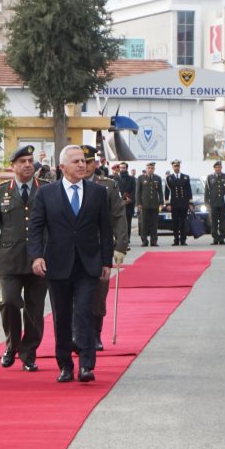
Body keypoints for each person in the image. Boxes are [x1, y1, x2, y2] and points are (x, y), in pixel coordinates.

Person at [28, 145, 113, 383]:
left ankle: (86, 364)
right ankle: (65, 364)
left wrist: (106, 261)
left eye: (84, 161)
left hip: (88, 264)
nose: (82, 165)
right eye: (76, 161)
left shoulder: (97, 192)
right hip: (57, 264)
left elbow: (105, 230)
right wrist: (36, 256)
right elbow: (35, 227)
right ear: (62, 167)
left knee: (85, 312)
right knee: (62, 316)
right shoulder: (46, 193)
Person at [0, 145, 48, 372]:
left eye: (30, 160)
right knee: (11, 303)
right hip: (9, 259)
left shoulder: (46, 189)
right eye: (22, 161)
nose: (27, 165)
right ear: (13, 166)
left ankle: (29, 353)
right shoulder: (0, 191)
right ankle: (11, 345)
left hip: (40, 259)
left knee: (35, 310)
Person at [82, 145, 129, 351]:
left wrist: (120, 246)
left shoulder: (107, 186)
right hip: (72, 249)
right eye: (80, 162)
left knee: (98, 293)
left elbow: (119, 216)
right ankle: (78, 334)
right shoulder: (63, 185)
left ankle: (95, 333)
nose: (84, 166)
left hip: (100, 248)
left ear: (95, 163)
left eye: (88, 162)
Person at [165, 159, 193, 246]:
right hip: (174, 203)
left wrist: (190, 203)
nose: (176, 167)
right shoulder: (169, 178)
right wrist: (168, 204)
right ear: (172, 167)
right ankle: (176, 239)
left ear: (179, 167)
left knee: (184, 222)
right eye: (175, 166)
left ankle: (183, 240)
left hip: (183, 203)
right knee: (175, 222)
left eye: (177, 166)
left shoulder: (185, 177)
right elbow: (166, 192)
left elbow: (189, 190)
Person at [135, 162, 164, 247]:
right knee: (144, 224)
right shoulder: (141, 178)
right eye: (149, 168)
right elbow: (138, 192)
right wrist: (138, 203)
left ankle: (153, 241)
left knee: (154, 224)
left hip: (154, 204)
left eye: (152, 168)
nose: (150, 169)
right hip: (144, 205)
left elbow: (160, 192)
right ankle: (144, 241)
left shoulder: (157, 178)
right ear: (146, 169)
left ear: (154, 169)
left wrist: (161, 203)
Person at [205, 161, 225, 245]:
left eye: (219, 167)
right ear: (214, 168)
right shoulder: (210, 177)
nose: (217, 169)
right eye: (216, 167)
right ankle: (215, 238)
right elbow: (207, 191)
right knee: (214, 222)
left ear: (221, 168)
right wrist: (206, 202)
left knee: (222, 221)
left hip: (223, 203)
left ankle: (222, 238)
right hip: (213, 203)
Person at [116, 162, 136, 246]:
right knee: (119, 223)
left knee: (128, 223)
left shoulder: (131, 179)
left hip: (129, 204)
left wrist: (130, 199)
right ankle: (120, 240)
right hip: (119, 204)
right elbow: (114, 191)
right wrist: (119, 200)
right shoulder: (115, 179)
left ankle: (127, 240)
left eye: (123, 168)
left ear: (126, 168)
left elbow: (134, 190)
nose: (122, 169)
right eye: (120, 168)